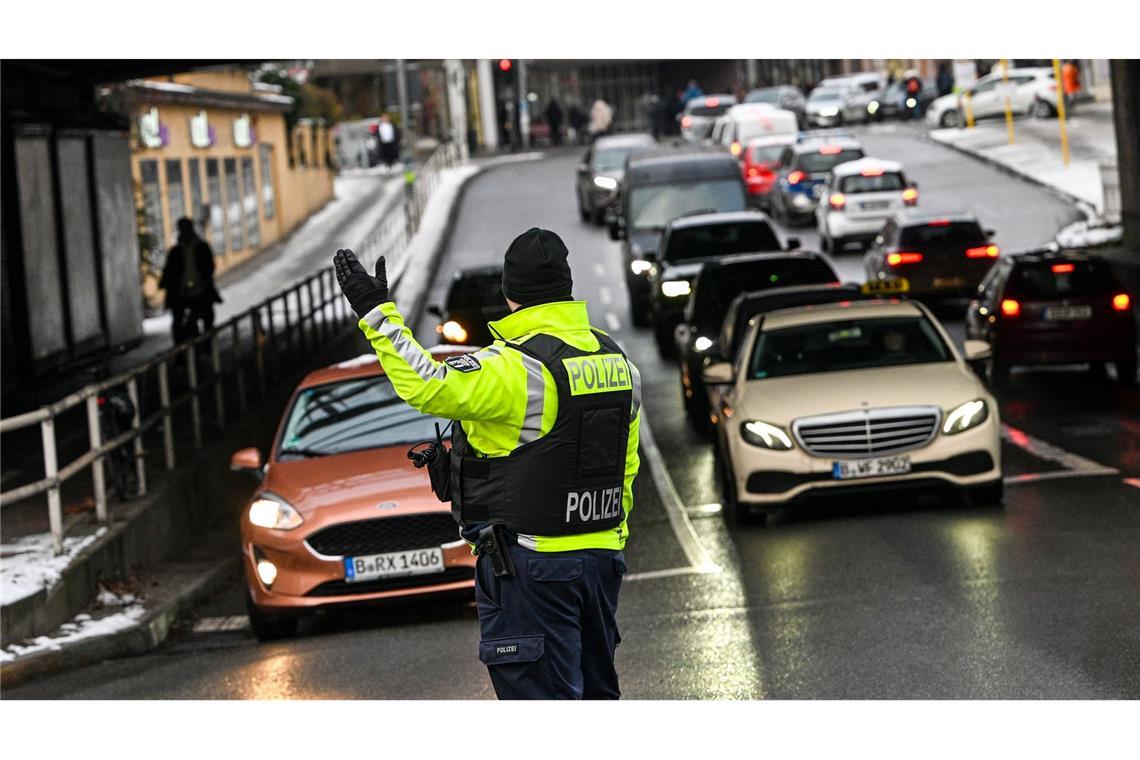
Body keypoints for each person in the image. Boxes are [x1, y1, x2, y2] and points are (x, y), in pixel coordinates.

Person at [333, 228, 641, 700]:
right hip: (601, 561)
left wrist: (376, 313)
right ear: (567, 288)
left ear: (510, 295)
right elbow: (626, 466)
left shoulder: (516, 369)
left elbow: (427, 384)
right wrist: (610, 538)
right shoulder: (620, 364)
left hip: (533, 566)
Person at [158, 217, 222, 344]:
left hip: (201, 290)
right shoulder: (176, 251)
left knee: (207, 317)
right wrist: (166, 284)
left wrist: (204, 282)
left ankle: (208, 345)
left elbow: (209, 267)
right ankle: (180, 352)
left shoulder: (202, 247)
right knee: (178, 322)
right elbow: (169, 271)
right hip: (180, 293)